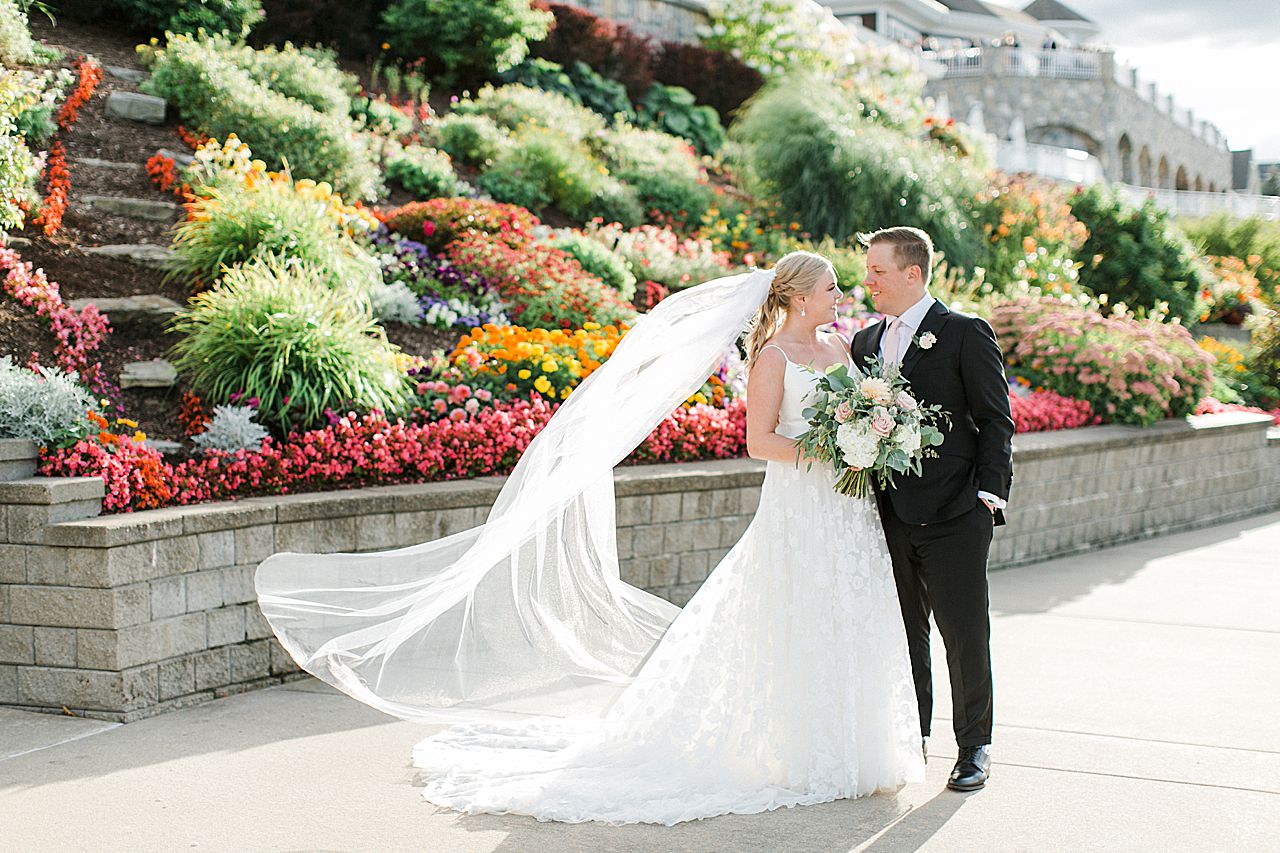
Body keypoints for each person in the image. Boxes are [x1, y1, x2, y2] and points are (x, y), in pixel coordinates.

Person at [256, 251, 924, 825]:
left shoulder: (841, 348)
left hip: (847, 512)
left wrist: (866, 439)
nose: (842, 296)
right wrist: (833, 451)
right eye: (833, 286)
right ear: (803, 295)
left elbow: (862, 408)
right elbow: (758, 441)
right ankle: (797, 750)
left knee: (848, 616)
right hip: (799, 508)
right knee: (789, 619)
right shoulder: (773, 356)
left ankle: (854, 746)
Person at [852, 227, 1014, 792]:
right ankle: (913, 734)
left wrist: (987, 497)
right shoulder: (865, 342)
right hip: (888, 515)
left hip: (955, 514)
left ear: (912, 274)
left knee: (964, 634)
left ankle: (974, 747)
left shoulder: (965, 333)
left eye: (877, 270)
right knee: (903, 633)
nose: (866, 280)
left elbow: (996, 419)